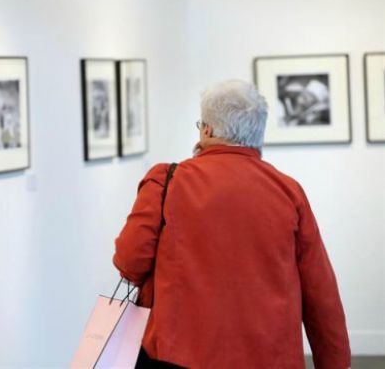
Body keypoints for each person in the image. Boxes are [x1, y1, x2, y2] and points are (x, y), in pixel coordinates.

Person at [113, 80, 350, 369]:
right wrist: (335, 363)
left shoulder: (167, 181)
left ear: (207, 130)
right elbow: (319, 292)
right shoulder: (289, 191)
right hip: (270, 358)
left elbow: (129, 261)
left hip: (180, 355)